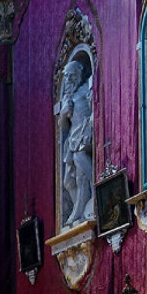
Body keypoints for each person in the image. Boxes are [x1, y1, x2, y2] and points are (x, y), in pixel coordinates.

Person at [56, 59, 94, 226]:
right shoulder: (67, 97)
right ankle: (79, 211)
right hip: (72, 139)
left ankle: (92, 202)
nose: (69, 80)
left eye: (72, 76)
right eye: (67, 77)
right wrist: (64, 113)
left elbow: (94, 110)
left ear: (79, 75)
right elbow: (63, 126)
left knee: (82, 174)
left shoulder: (86, 90)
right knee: (68, 182)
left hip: (83, 136)